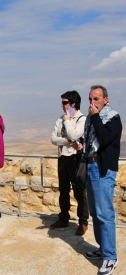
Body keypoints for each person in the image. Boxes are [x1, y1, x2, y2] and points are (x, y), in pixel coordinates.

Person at [78, 85, 122, 275]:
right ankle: (102, 249)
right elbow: (90, 140)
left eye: (96, 99)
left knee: (105, 214)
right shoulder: (90, 118)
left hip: (103, 170)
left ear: (106, 99)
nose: (92, 103)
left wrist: (95, 117)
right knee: (96, 213)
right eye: (90, 99)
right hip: (90, 166)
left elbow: (104, 139)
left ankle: (111, 257)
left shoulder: (113, 118)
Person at [50, 90, 89, 235]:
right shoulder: (60, 119)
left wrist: (68, 122)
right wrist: (68, 141)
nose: (62, 105)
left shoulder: (81, 119)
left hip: (76, 158)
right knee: (63, 190)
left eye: (65, 102)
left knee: (79, 191)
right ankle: (63, 218)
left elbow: (75, 134)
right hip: (63, 158)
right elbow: (54, 139)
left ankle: (83, 222)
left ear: (73, 104)